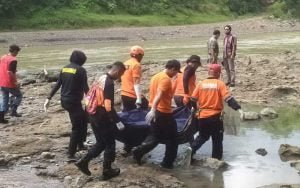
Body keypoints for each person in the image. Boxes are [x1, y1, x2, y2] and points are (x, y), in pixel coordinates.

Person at [75, 61, 126, 180]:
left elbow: (89, 96)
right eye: (120, 75)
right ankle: (107, 170)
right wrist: (117, 120)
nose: (119, 77)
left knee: (101, 143)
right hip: (102, 117)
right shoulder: (108, 83)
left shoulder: (100, 78)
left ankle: (83, 162)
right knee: (110, 143)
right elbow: (108, 106)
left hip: (92, 114)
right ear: (117, 71)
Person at [132, 59, 181, 169]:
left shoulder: (156, 76)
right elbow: (159, 94)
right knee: (173, 139)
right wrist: (154, 109)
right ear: (173, 69)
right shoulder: (165, 79)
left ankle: (139, 151)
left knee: (155, 135)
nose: (176, 74)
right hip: (163, 112)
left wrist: (153, 108)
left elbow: (159, 94)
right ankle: (167, 163)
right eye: (176, 71)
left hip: (155, 109)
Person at [190, 64, 244, 160]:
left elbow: (193, 99)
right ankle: (216, 161)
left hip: (202, 116)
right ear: (218, 73)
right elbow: (228, 98)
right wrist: (238, 109)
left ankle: (189, 153)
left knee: (202, 137)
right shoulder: (220, 84)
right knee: (217, 140)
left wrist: (196, 110)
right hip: (215, 117)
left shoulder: (201, 84)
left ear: (208, 72)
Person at [44, 50, 89, 159]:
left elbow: (58, 84)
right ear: (82, 60)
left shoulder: (65, 68)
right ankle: (70, 153)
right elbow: (85, 88)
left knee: (83, 120)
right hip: (74, 102)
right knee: (77, 127)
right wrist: (91, 100)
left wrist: (48, 98)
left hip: (65, 101)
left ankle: (81, 144)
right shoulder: (81, 70)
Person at [121, 45, 148, 112]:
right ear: (139, 55)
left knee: (127, 112)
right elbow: (136, 83)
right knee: (145, 106)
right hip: (132, 95)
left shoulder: (125, 63)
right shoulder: (136, 65)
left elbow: (124, 78)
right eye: (142, 56)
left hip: (124, 93)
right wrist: (139, 98)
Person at [0, 44, 22, 123]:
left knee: (4, 98)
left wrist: (15, 72)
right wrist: (16, 82)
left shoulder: (3, 57)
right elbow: (9, 72)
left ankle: (1, 117)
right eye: (17, 52)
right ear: (15, 51)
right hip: (9, 83)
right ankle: (13, 111)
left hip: (1, 81)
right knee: (19, 95)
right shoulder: (13, 59)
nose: (17, 54)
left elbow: (5, 68)